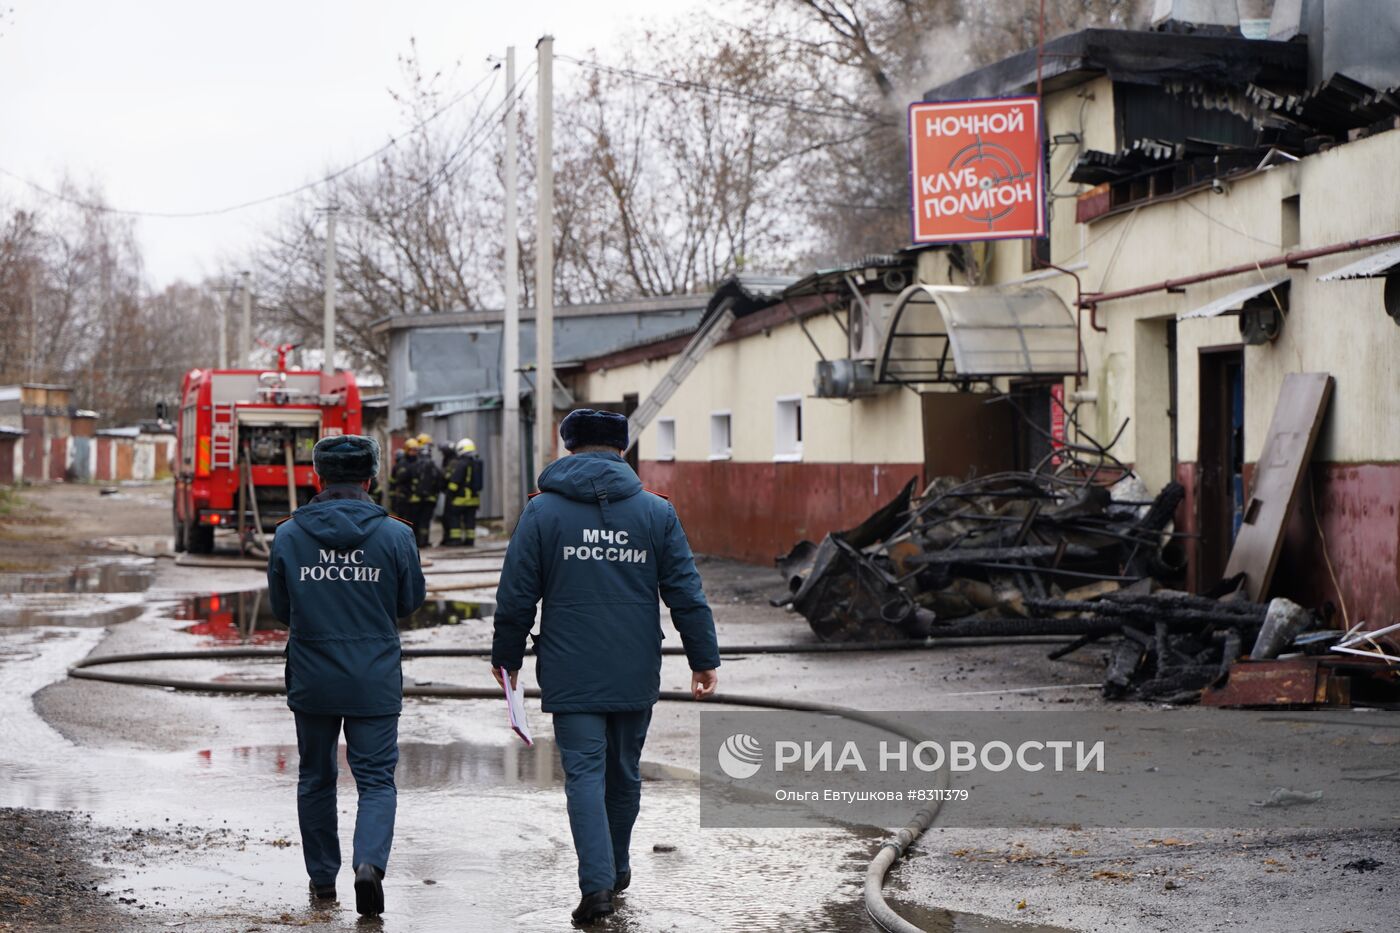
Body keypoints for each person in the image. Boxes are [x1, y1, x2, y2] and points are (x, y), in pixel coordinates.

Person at [492, 409, 720, 924]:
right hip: (634, 666)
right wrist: (702, 658)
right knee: (623, 773)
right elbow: (685, 592)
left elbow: (516, 596)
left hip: (570, 668)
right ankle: (614, 871)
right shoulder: (655, 512)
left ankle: (597, 887)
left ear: (568, 447)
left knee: (585, 776)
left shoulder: (542, 512)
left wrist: (506, 659)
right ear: (623, 449)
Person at [267, 435, 426, 918]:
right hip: (372, 677)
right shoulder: (396, 535)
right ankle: (369, 866)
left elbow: (280, 610)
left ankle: (321, 881)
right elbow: (409, 602)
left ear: (319, 477)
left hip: (313, 677)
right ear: (370, 478)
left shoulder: (290, 535)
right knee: (377, 780)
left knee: (316, 778)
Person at [443, 437, 483, 547]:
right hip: (474, 499)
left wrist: (449, 493)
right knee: (470, 520)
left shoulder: (461, 463)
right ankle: (470, 541)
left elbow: (455, 481)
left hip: (460, 499)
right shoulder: (477, 462)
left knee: (454, 518)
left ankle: (456, 540)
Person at [407, 434, 442, 549]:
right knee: (425, 522)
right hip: (430, 499)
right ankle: (424, 542)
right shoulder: (433, 465)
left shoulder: (413, 465)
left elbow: (407, 480)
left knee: (415, 521)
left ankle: (416, 542)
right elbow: (439, 480)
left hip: (415, 499)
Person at [388, 444, 414, 518]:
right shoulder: (409, 465)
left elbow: (392, 482)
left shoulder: (397, 466)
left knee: (400, 514)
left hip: (400, 496)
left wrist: (392, 496)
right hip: (406, 496)